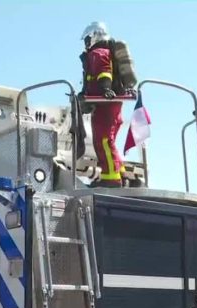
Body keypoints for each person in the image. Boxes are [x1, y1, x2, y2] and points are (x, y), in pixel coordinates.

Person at [80, 21, 127, 188]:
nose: (86, 43)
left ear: (94, 36)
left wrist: (105, 89)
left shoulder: (98, 52)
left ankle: (111, 179)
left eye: (87, 39)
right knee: (109, 141)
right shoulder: (102, 52)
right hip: (108, 104)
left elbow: (104, 72)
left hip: (105, 105)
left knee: (104, 141)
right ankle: (121, 174)